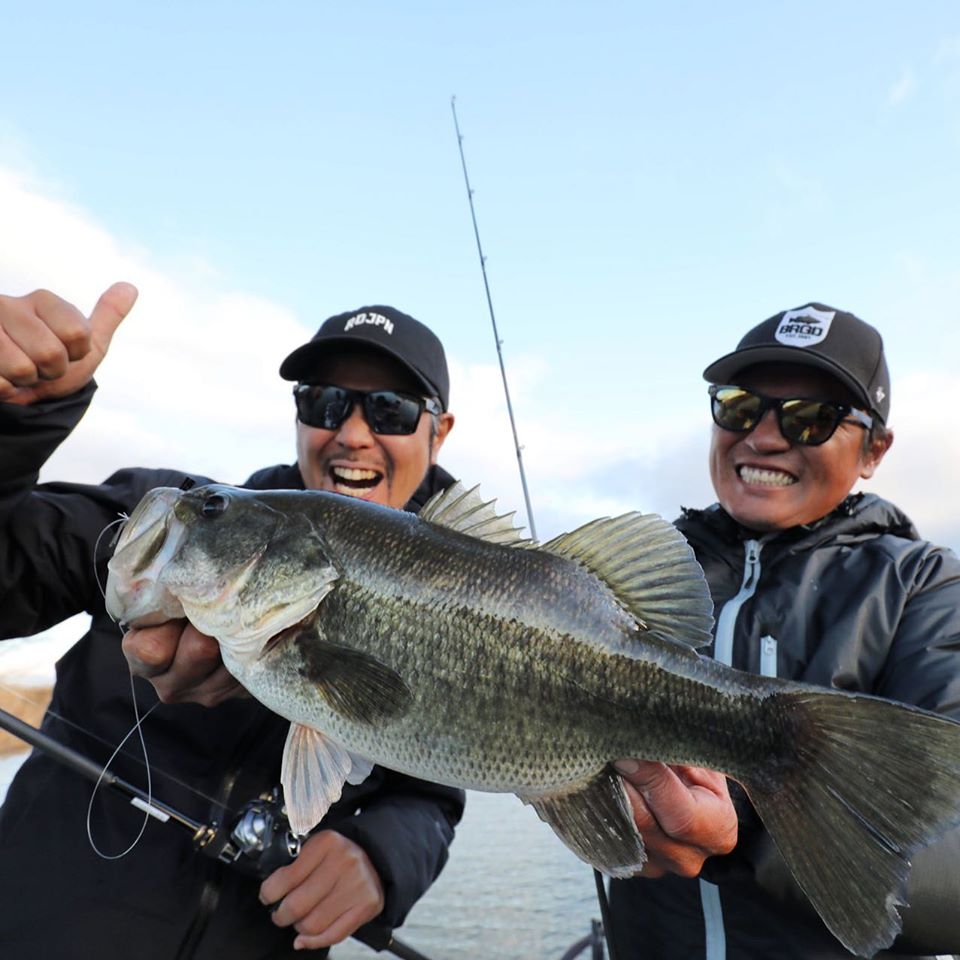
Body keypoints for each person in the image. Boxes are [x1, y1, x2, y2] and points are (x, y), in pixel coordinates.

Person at [0, 282, 465, 959]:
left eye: (390, 409)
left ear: (438, 431)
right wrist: (16, 428)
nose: (352, 432)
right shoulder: (173, 522)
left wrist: (381, 854)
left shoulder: (463, 609)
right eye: (324, 401)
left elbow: (433, 792)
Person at [608, 303, 960, 958]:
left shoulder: (925, 587)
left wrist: (747, 826)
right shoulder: (636, 570)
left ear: (875, 450)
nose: (764, 438)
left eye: (810, 417)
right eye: (740, 406)